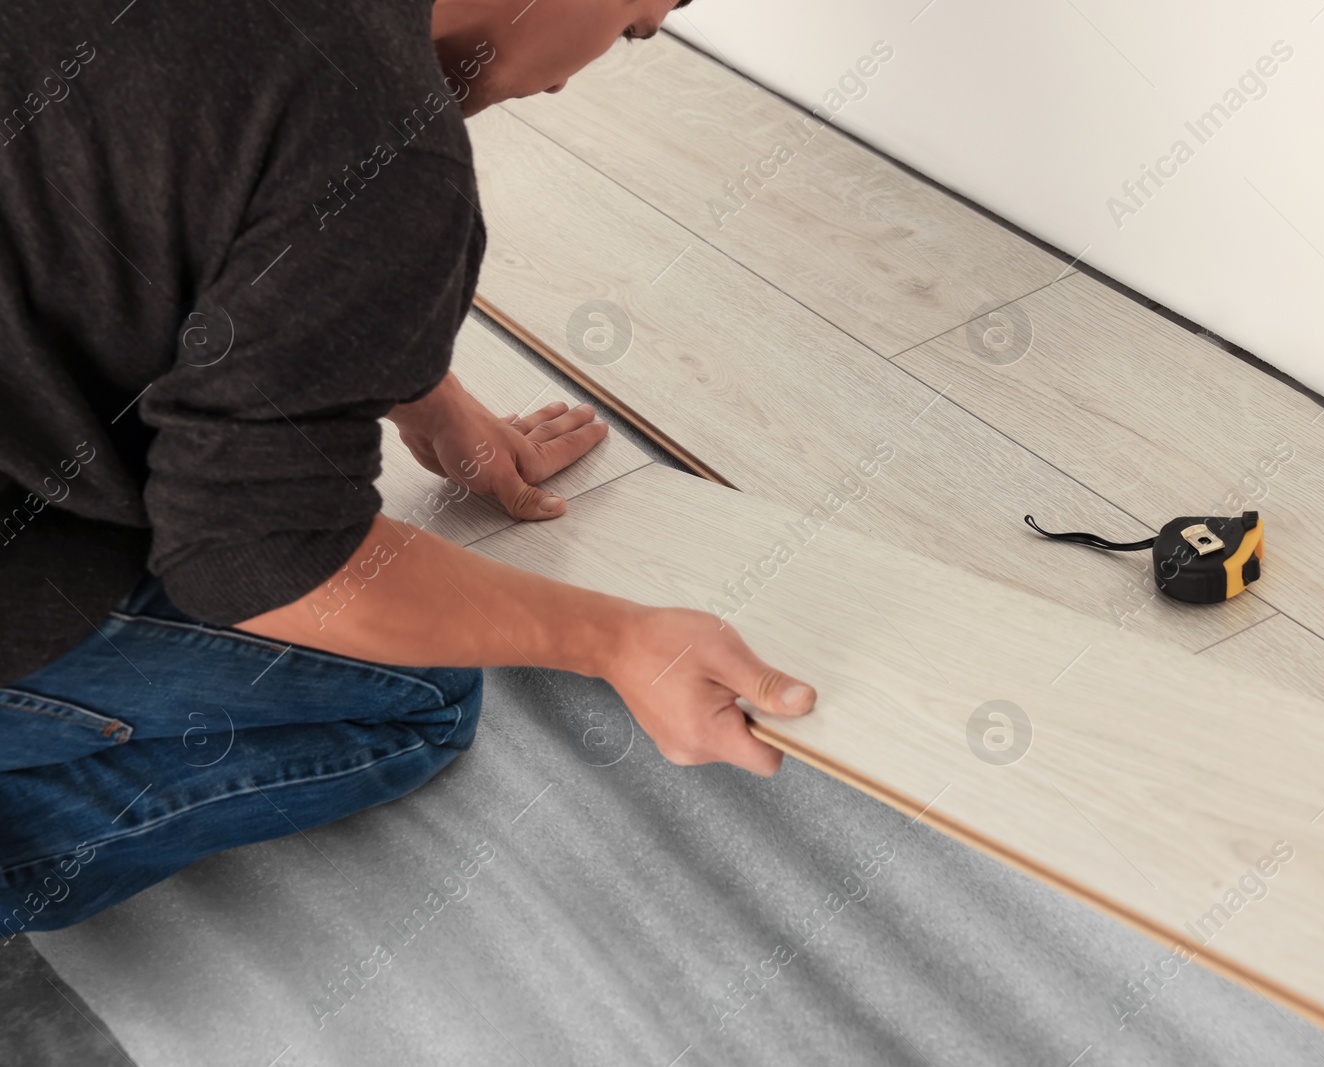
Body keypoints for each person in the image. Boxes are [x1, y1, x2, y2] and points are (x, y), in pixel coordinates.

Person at [0, 0, 816, 935]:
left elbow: (129, 175)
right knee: (417, 693)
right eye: (634, 26)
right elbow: (256, 559)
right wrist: (618, 640)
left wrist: (402, 374)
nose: (564, 80)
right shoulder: (389, 150)